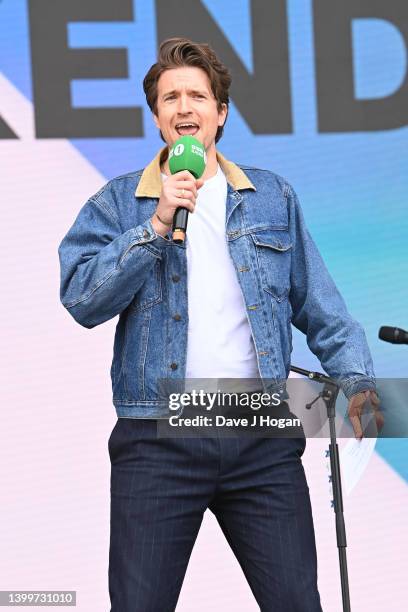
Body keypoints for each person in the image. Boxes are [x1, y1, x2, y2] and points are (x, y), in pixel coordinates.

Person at [58, 38, 383, 611]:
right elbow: (81, 299)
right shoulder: (118, 204)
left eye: (197, 96)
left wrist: (356, 379)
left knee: (296, 602)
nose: (184, 107)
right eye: (170, 98)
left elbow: (322, 307)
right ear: (158, 117)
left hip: (259, 432)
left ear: (220, 112)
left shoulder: (270, 197)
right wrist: (154, 227)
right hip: (158, 435)